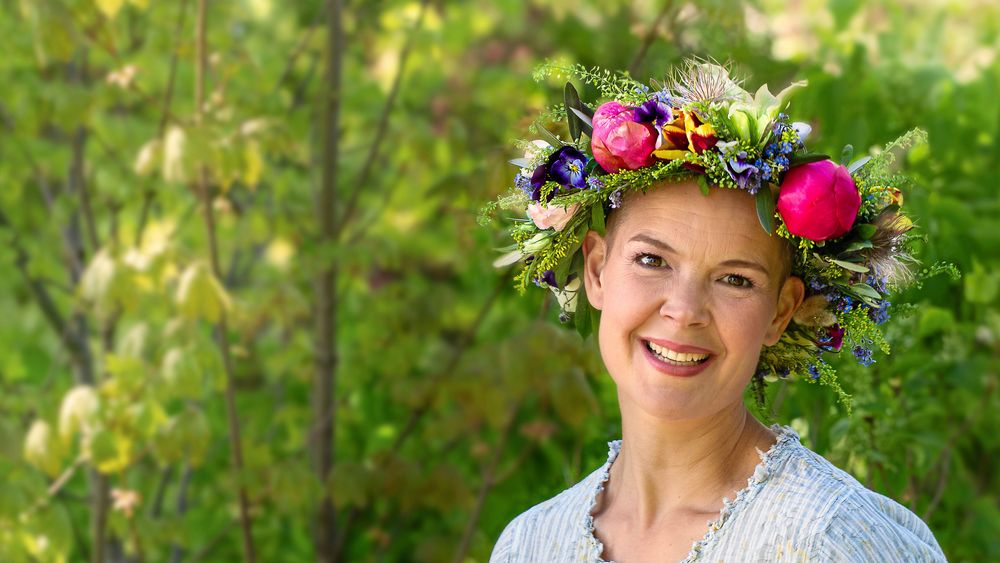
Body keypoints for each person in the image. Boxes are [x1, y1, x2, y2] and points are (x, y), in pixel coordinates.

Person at [482, 60, 947, 562]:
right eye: (652, 260)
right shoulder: (529, 544)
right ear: (596, 270)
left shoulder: (829, 539)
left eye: (735, 280)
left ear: (781, 311)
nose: (684, 312)